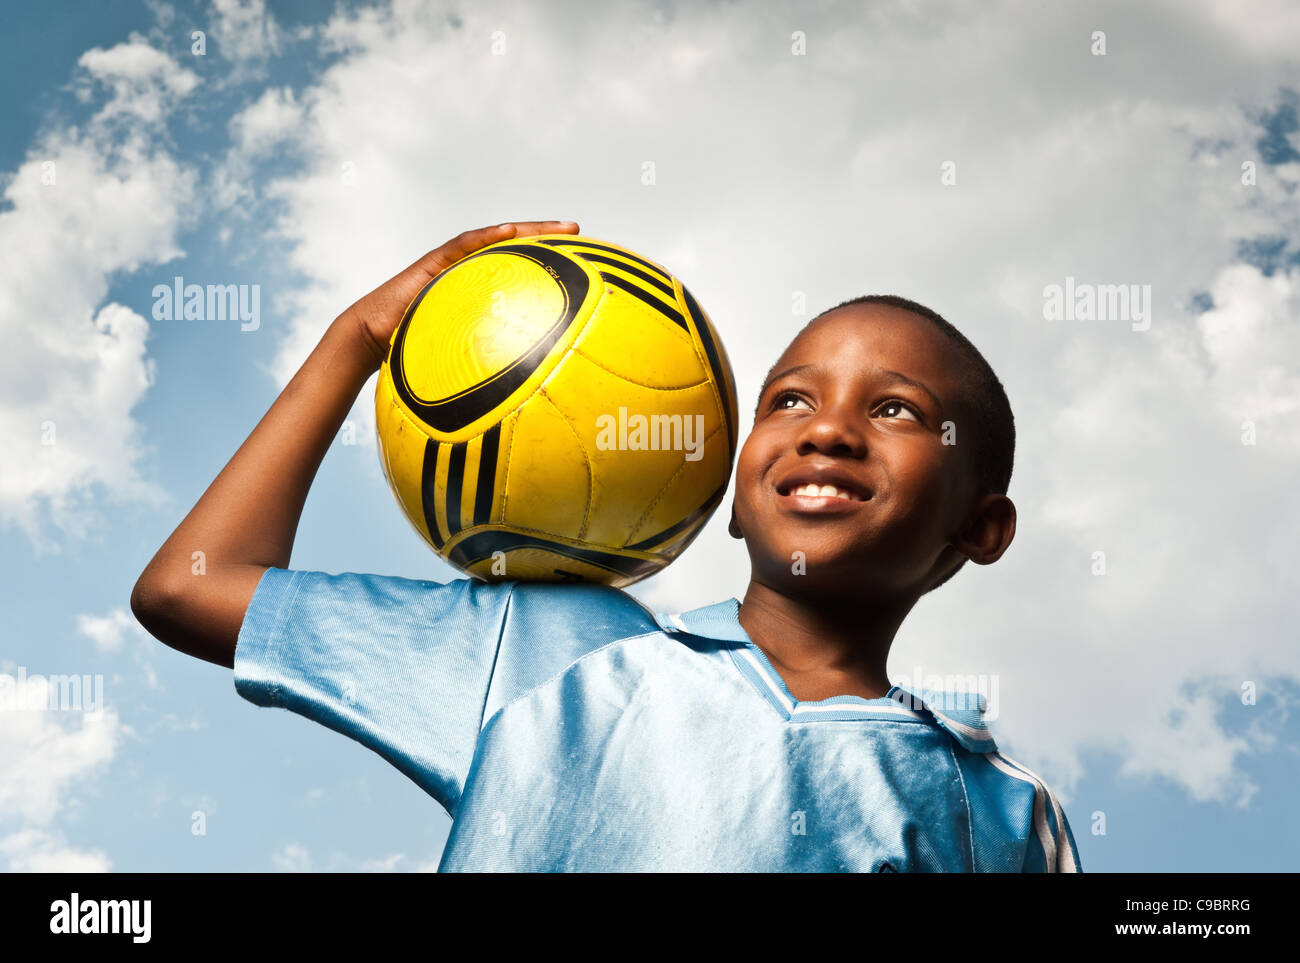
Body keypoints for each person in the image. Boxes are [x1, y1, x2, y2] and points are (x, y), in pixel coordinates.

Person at [131, 220, 1081, 872]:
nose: (826, 430)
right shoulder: (546, 647)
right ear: (730, 493)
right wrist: (358, 338)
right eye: (789, 399)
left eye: (895, 409)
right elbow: (187, 586)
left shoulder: (1001, 810)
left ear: (980, 527)